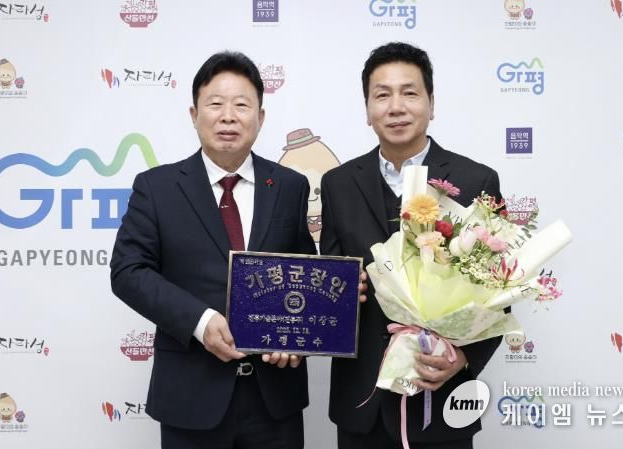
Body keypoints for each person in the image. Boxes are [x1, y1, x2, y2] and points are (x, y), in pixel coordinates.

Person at [110, 51, 316, 449]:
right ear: (194, 114)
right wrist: (199, 321)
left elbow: (304, 272)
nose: (228, 117)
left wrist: (294, 339)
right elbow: (128, 272)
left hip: (275, 401)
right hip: (191, 397)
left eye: (242, 105)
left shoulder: (290, 186)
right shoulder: (157, 188)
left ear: (261, 117)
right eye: (215, 104)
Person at [320, 42, 504, 449]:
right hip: (361, 404)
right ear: (367, 109)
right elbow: (329, 280)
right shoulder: (338, 184)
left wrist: (463, 358)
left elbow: (499, 292)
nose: (396, 107)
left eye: (409, 93)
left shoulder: (475, 181)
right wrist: (342, 292)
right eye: (382, 95)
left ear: (431, 104)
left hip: (440, 396)